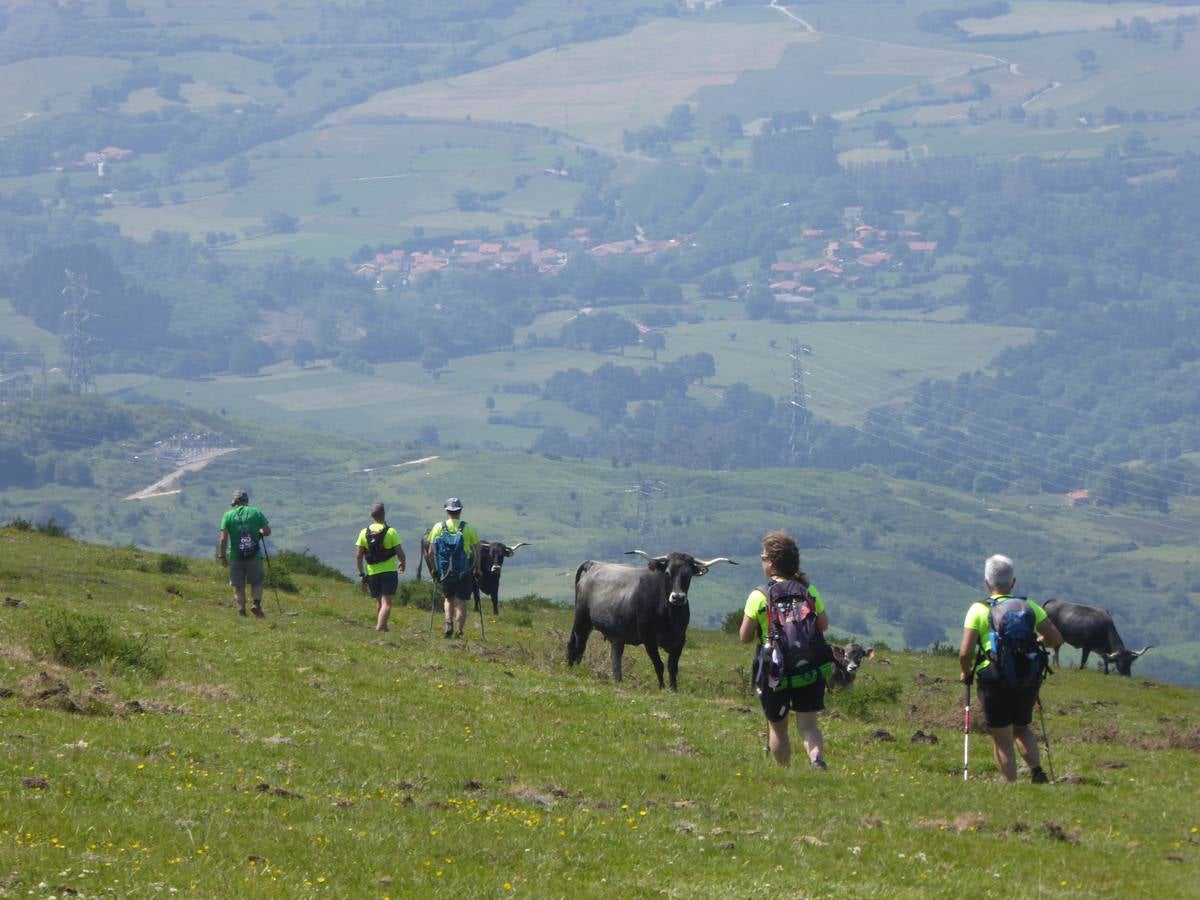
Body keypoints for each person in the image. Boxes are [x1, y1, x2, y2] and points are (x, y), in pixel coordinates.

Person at [959, 553, 1063, 784]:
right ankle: (1037, 773)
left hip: (994, 678)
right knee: (1022, 728)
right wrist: (1037, 642)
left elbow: (965, 653)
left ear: (987, 582)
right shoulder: (1030, 606)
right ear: (1013, 583)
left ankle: (1012, 786)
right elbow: (1055, 638)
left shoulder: (978, 610)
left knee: (1002, 738)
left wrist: (965, 673)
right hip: (1027, 677)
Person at [739, 530, 833, 769]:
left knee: (777, 726)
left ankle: (785, 772)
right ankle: (817, 760)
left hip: (775, 671)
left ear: (771, 563)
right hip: (809, 669)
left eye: (763, 558)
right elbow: (823, 625)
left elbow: (744, 637)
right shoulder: (808, 591)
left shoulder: (759, 595)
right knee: (809, 725)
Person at [426, 497, 480, 638]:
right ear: (460, 511)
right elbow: (477, 550)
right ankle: (459, 631)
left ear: (447, 511)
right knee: (462, 601)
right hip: (464, 570)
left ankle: (448, 621)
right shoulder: (468, 528)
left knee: (448, 598)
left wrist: (434, 568)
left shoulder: (438, 527)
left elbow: (431, 552)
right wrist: (477, 568)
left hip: (445, 571)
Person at [218, 488, 271, 619]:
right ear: (246, 501)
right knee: (257, 583)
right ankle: (256, 605)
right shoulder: (256, 512)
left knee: (238, 586)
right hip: (254, 555)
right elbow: (267, 531)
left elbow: (223, 538)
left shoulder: (227, 515)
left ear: (234, 502)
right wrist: (259, 531)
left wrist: (222, 556)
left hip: (236, 556)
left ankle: (242, 612)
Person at [355, 502, 406, 632]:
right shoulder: (391, 532)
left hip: (372, 572)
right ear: (384, 514)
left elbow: (359, 556)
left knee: (379, 601)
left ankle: (384, 627)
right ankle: (379, 627)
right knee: (387, 602)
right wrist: (402, 563)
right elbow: (400, 552)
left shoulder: (363, 533)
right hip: (389, 571)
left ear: (371, 515)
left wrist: (362, 573)